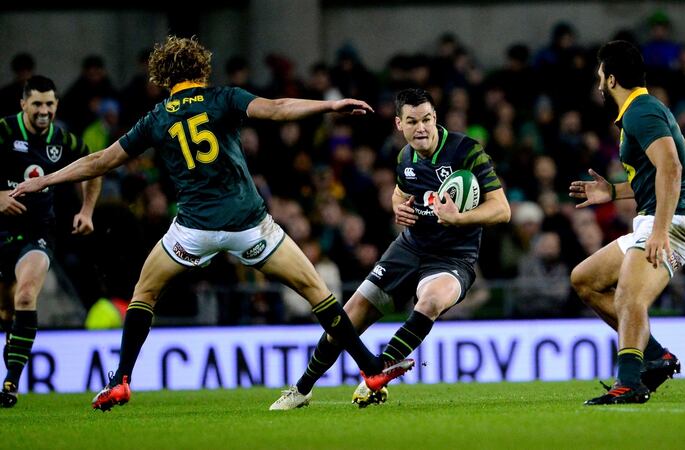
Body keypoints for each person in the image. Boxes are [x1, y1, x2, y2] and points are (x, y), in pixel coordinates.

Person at [11, 36, 412, 411]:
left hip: (193, 231)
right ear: (201, 68)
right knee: (317, 292)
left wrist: (44, 180)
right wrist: (328, 106)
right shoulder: (223, 98)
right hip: (248, 225)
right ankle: (370, 367)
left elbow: (101, 160)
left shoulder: (156, 118)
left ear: (163, 75)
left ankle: (120, 380)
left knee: (144, 293)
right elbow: (276, 108)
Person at [269, 88, 510, 410]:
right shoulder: (405, 158)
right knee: (348, 317)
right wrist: (398, 207)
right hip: (408, 248)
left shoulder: (466, 150)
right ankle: (302, 389)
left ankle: (377, 372)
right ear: (399, 124)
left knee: (432, 300)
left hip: (454, 256)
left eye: (426, 119)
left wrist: (460, 218)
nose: (421, 128)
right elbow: (399, 193)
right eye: (412, 121)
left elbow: (502, 210)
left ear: (435, 118)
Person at [568, 41, 685, 405]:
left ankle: (629, 383)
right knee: (585, 280)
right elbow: (655, 174)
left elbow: (671, 168)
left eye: (600, 75)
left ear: (611, 79)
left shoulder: (640, 112)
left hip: (673, 222)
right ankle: (656, 356)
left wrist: (659, 231)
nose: (599, 83)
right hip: (655, 219)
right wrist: (612, 191)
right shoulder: (641, 110)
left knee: (629, 295)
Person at [0, 75, 101, 407]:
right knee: (6, 308)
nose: (44, 111)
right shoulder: (4, 130)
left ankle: (11, 383)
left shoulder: (63, 140)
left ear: (56, 105)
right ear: (23, 104)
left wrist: (87, 210)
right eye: (37, 104)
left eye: (49, 104)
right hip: (1, 231)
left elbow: (94, 166)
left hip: (38, 232)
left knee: (26, 294)